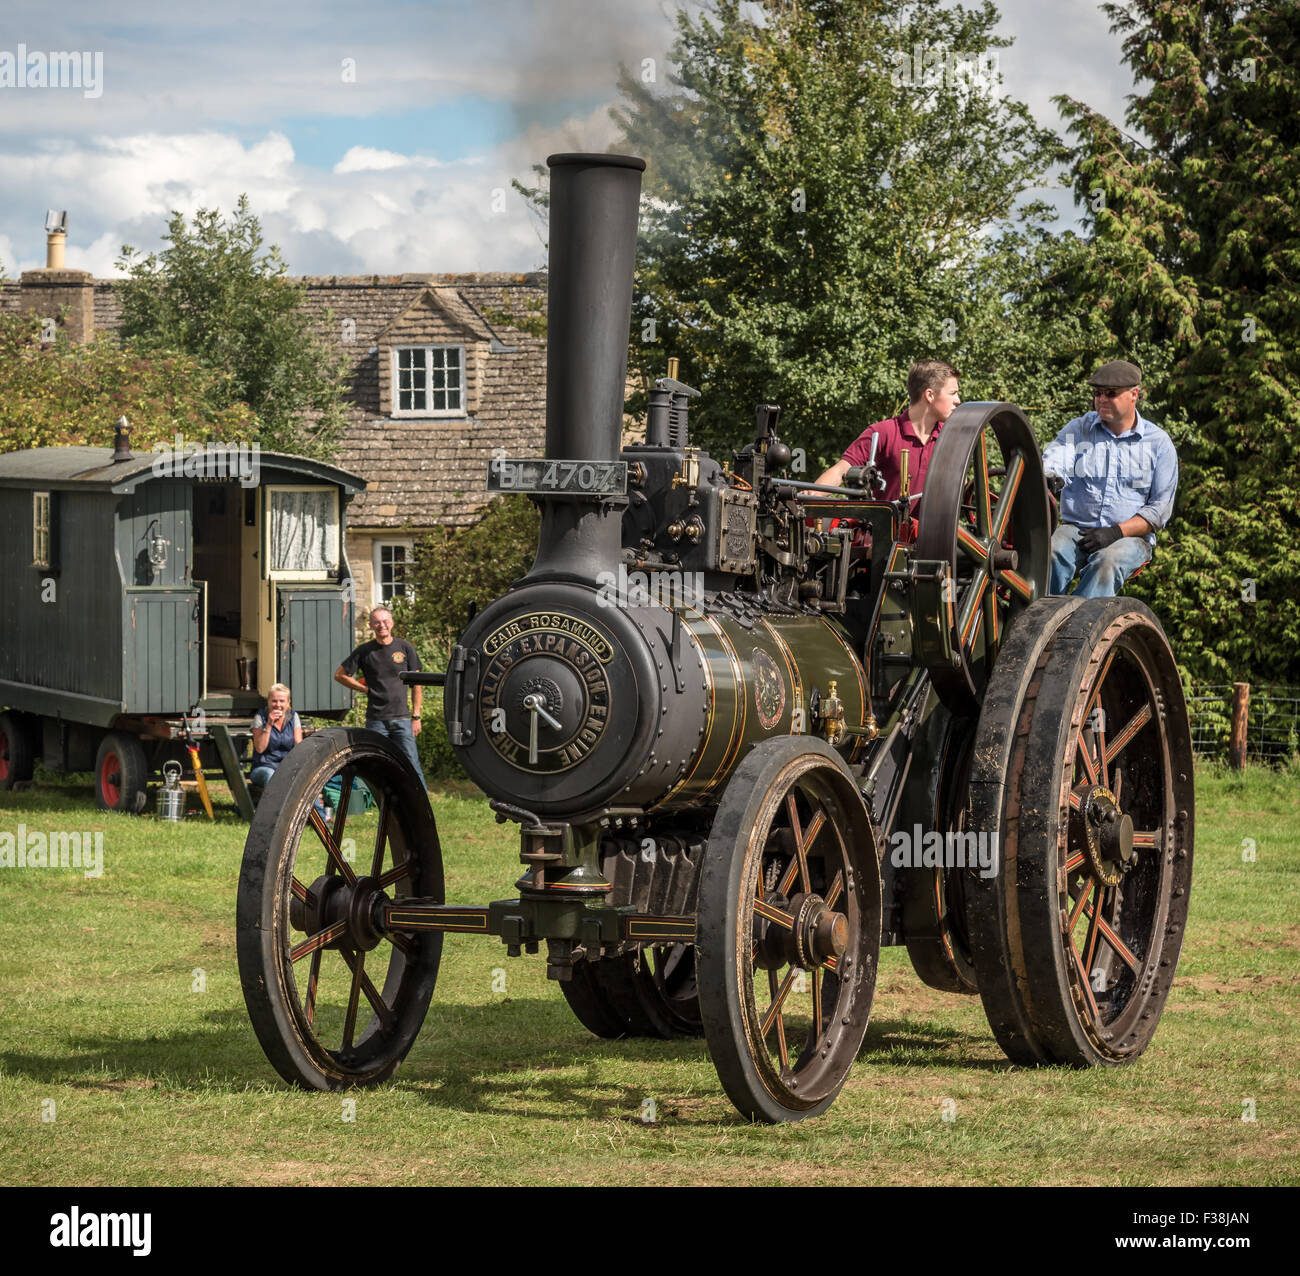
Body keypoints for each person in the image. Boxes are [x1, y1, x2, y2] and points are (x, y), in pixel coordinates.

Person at [1044, 360, 1179, 597]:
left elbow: (1159, 511)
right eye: (1097, 393)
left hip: (1128, 538)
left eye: (1111, 394)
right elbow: (1057, 456)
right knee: (1052, 551)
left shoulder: (1158, 443)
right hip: (1076, 530)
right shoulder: (1079, 429)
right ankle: (1042, 618)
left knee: (1106, 562)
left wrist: (1115, 532)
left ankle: (1081, 629)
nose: (1102, 399)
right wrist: (1050, 475)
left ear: (1133, 394)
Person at [813, 360, 961, 507]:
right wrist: (810, 495)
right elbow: (841, 471)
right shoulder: (883, 432)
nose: (958, 400)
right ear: (930, 395)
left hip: (936, 530)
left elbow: (959, 488)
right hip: (887, 529)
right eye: (953, 393)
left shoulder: (950, 438)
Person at [334, 606, 427, 786]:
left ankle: (422, 808)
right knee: (377, 765)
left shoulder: (405, 647)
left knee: (411, 764)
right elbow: (340, 675)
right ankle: (387, 805)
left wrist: (416, 716)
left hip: (402, 719)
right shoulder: (364, 651)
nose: (381, 625)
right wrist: (364, 689)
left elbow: (417, 684)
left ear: (391, 623)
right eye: (377, 622)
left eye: (385, 621)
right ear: (370, 625)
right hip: (376, 720)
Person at [249, 683, 303, 795]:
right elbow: (259, 748)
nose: (278, 705)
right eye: (274, 701)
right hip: (263, 767)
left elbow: (299, 746)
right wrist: (269, 723)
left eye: (282, 701)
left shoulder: (293, 717)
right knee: (272, 776)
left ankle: (320, 813)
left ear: (288, 703)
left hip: (286, 766)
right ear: (268, 702)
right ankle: (274, 811)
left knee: (303, 777)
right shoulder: (260, 717)